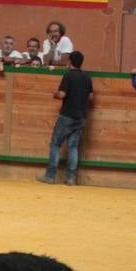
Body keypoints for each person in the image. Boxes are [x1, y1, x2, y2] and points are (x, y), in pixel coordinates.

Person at [38, 49, 94, 185]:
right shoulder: (87, 78)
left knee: (56, 144)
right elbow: (90, 97)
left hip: (67, 115)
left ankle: (50, 176)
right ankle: (70, 178)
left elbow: (62, 94)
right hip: (81, 117)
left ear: (70, 62)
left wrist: (55, 94)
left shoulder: (68, 76)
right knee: (73, 146)